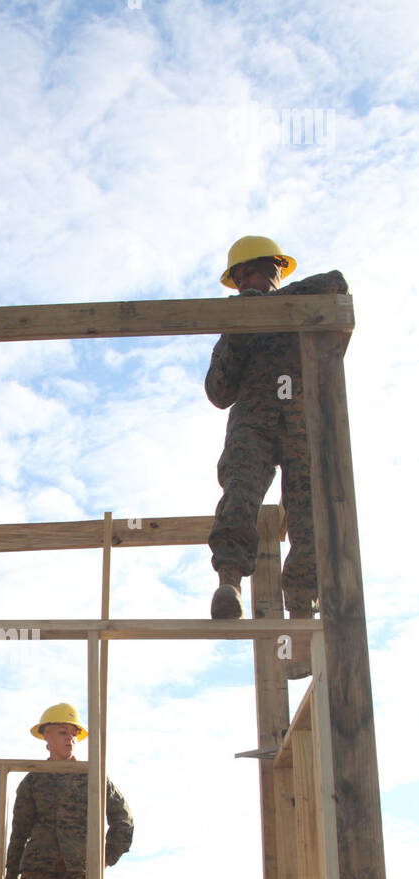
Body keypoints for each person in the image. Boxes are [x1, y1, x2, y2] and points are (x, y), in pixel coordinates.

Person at [205, 236, 349, 677]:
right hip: (254, 423)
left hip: (302, 422)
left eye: (254, 271)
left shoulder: (297, 305)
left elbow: (335, 284)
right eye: (240, 276)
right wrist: (240, 325)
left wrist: (273, 308)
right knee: (241, 493)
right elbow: (218, 392)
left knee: (309, 516)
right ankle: (229, 582)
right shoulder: (237, 323)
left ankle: (301, 617)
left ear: (275, 269)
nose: (247, 281)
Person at [4, 703, 133, 879]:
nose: (70, 738)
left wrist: (105, 858)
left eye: (73, 733)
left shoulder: (92, 776)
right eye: (63, 732)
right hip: (40, 875)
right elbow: (19, 833)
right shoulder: (33, 781)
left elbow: (123, 820)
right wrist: (11, 878)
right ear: (46, 736)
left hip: (81, 875)